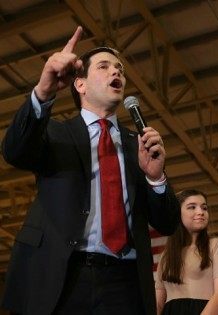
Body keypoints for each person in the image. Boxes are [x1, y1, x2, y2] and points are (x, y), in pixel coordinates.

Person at [1, 26, 180, 315]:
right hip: (62, 276)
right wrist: (44, 90)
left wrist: (156, 177)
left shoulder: (140, 146)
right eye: (105, 66)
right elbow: (14, 150)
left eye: (120, 68)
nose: (117, 72)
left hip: (125, 281)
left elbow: (168, 223)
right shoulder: (55, 134)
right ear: (80, 85)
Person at [155, 189, 218, 315]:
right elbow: (158, 303)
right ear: (177, 214)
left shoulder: (217, 244)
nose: (200, 212)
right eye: (192, 207)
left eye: (204, 208)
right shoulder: (166, 255)